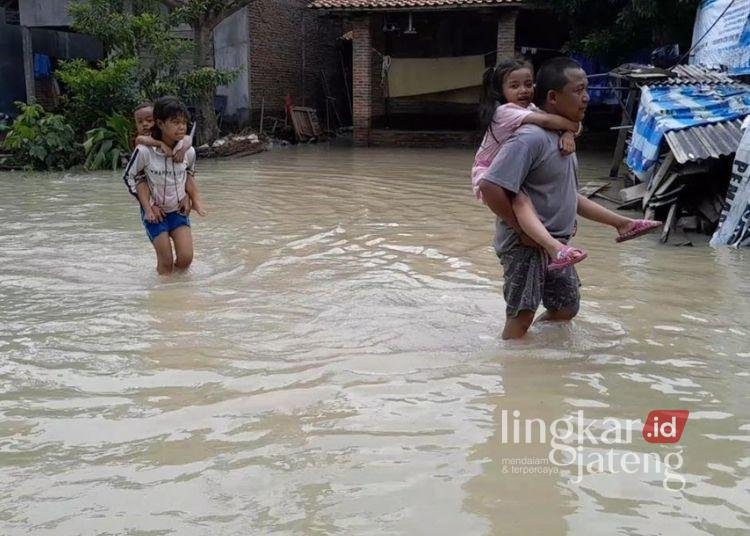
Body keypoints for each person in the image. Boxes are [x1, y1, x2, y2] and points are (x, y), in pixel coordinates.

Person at [477, 57, 662, 339]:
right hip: (524, 243)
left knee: (565, 308)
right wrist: (522, 232)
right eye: (579, 90)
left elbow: (566, 194)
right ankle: (514, 375)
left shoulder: (563, 138)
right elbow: (491, 187)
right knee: (521, 316)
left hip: (559, 243)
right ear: (553, 97)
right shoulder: (528, 138)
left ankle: (541, 359)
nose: (587, 97)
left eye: (586, 89)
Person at [473, 58, 587, 270]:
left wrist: (569, 133)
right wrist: (572, 126)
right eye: (514, 86)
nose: (523, 90)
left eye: (528, 84)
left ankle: (555, 245)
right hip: (486, 170)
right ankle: (553, 247)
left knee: (527, 201)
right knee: (521, 201)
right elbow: (548, 121)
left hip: (508, 170)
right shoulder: (505, 112)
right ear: (501, 91)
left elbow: (556, 122)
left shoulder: (531, 109)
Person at [124, 96, 202, 275]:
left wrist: (189, 197)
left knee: (186, 258)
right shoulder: (143, 150)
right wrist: (149, 205)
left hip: (177, 209)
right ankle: (163, 294)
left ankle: (179, 292)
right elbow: (129, 177)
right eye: (175, 122)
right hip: (155, 213)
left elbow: (190, 173)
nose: (181, 127)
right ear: (160, 124)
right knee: (166, 262)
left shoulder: (188, 151)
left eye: (183, 123)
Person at [133, 102, 206, 216]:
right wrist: (161, 144)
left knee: (188, 176)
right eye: (140, 122)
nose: (145, 124)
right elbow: (140, 140)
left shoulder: (177, 141)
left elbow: (187, 139)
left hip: (172, 197)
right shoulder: (143, 144)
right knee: (141, 182)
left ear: (158, 122)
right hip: (150, 192)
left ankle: (194, 201)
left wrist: (182, 150)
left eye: (149, 120)